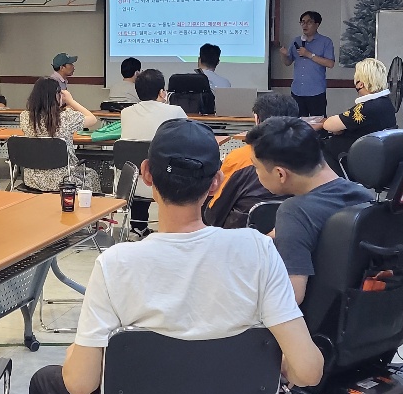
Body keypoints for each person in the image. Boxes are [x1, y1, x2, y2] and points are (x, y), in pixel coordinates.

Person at [28, 119, 323, 394]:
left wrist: (75, 357)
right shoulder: (258, 250)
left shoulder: (116, 263)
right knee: (179, 366)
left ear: (146, 174)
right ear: (216, 182)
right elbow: (308, 372)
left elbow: (81, 385)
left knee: (44, 386)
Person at [246, 116, 373, 303]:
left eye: (256, 167)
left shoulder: (295, 212)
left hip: (312, 318)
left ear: (280, 174)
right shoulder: (363, 196)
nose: (256, 173)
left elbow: (291, 297)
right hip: (355, 311)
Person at [203, 92, 300, 229]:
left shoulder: (239, 158)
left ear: (257, 119)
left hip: (243, 234)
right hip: (295, 230)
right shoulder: (310, 156)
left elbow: (214, 213)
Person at [119, 69, 187, 234]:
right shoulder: (175, 111)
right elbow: (188, 135)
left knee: (144, 162)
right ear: (161, 91)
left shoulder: (125, 112)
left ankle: (138, 227)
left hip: (130, 184)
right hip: (164, 183)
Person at [18, 78, 100, 192]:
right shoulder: (66, 117)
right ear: (56, 96)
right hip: (64, 180)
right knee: (92, 174)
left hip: (32, 180)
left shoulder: (25, 117)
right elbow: (92, 119)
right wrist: (71, 101)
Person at [318, 56, 396, 173]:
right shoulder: (386, 103)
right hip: (377, 157)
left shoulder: (367, 107)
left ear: (361, 84)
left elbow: (329, 125)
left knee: (321, 146)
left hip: (360, 159)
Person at [277, 11, 336, 117]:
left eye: (309, 22)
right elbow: (288, 62)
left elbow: (330, 63)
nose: (305, 25)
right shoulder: (296, 41)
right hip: (297, 90)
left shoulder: (325, 41)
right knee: (297, 123)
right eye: (302, 22)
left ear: (317, 24)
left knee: (318, 123)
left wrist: (309, 54)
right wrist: (283, 55)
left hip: (316, 91)